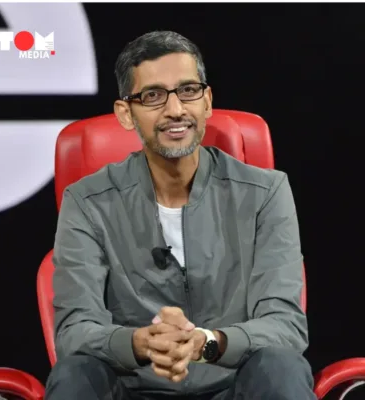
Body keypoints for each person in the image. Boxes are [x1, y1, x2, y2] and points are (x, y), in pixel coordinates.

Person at [44, 31, 316, 400]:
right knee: (75, 372)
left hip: (234, 385)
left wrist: (207, 342)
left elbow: (285, 326)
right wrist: (142, 343)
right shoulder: (87, 201)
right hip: (133, 386)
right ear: (126, 114)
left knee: (282, 366)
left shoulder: (266, 193)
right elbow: (74, 331)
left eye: (188, 90)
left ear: (207, 101)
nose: (175, 110)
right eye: (153, 96)